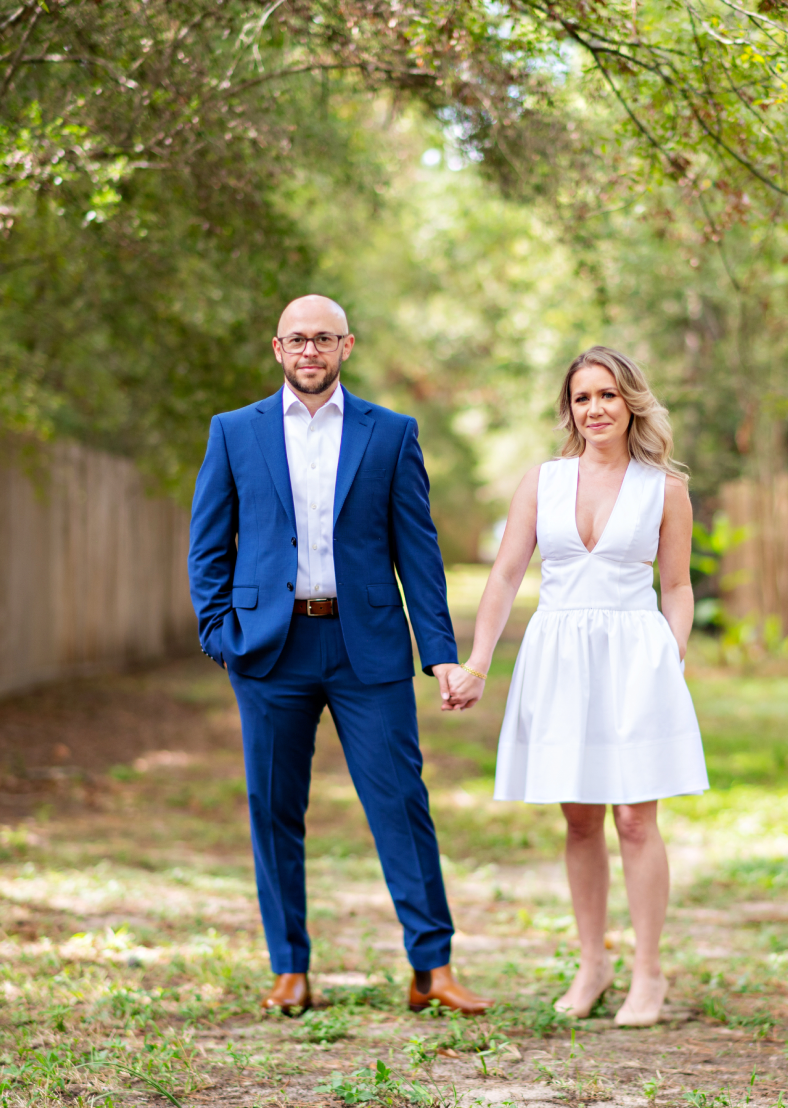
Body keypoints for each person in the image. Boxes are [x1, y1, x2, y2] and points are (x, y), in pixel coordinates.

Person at [187, 294, 492, 1017]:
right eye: (297, 340)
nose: (310, 352)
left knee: (400, 803)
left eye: (323, 339)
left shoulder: (390, 434)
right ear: (277, 348)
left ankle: (432, 967)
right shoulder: (234, 432)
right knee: (273, 809)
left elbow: (418, 552)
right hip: (270, 650)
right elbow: (208, 544)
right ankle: (289, 969)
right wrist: (219, 633)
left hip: (369, 650)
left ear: (347, 347)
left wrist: (439, 654)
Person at [445, 346, 708, 1028]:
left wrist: (669, 657)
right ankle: (592, 964)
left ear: (631, 405)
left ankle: (648, 973)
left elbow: (677, 587)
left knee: (637, 818)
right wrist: (477, 662)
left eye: (608, 396)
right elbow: (504, 577)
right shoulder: (543, 482)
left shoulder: (665, 489)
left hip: (635, 657)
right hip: (559, 656)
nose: (594, 409)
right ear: (570, 408)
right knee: (581, 818)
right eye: (582, 397)